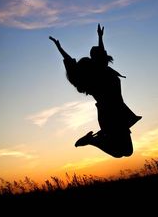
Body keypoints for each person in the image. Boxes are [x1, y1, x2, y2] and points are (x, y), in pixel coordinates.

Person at [49, 24, 141, 158]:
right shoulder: (95, 78)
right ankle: (92, 140)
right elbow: (74, 64)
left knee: (126, 151)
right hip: (109, 113)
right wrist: (60, 49)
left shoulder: (103, 71)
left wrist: (100, 37)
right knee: (124, 151)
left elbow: (100, 55)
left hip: (117, 111)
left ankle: (92, 140)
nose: (101, 54)